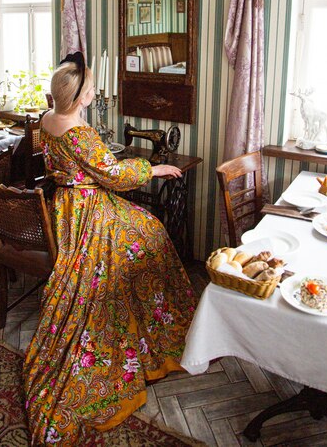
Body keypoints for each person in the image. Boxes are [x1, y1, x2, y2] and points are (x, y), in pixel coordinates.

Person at [23, 52, 196, 446]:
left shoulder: (48, 120)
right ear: (81, 96)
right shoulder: (78, 131)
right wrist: (154, 168)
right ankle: (150, 320)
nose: (94, 91)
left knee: (145, 227)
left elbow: (91, 167)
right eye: (90, 88)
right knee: (149, 231)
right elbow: (114, 175)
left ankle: (142, 312)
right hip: (88, 210)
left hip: (65, 204)